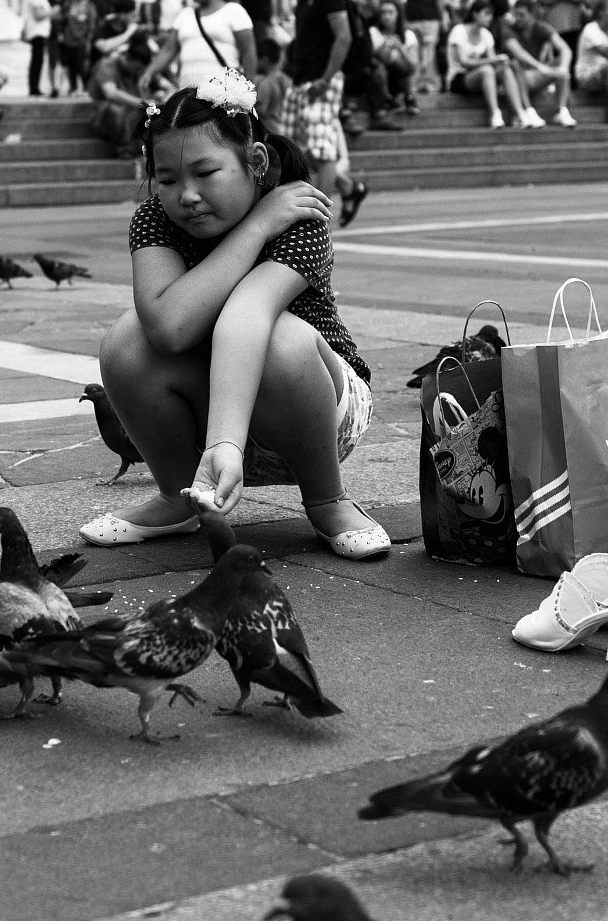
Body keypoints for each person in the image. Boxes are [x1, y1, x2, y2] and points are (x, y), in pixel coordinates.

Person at [85, 73, 386, 560]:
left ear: (256, 162)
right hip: (215, 424)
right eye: (168, 180)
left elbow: (247, 315)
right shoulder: (156, 219)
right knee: (128, 339)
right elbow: (169, 326)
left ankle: (328, 498)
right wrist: (255, 228)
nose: (187, 195)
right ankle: (179, 496)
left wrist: (225, 441)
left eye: (205, 173)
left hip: (318, 409)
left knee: (279, 338)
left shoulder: (297, 214)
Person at [282, 0, 370, 226]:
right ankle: (348, 187)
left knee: (322, 150)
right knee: (296, 147)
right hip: (302, 76)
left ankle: (317, 222)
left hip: (322, 78)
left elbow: (343, 36)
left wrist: (327, 78)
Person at [148, 0, 259, 93]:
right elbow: (168, 50)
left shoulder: (234, 11)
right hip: (189, 97)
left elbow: (248, 52)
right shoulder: (185, 15)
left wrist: (248, 89)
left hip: (224, 96)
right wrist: (149, 73)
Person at [445, 0, 527, 128]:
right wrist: (492, 60)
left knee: (504, 69)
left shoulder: (486, 35)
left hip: (480, 76)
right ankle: (495, 113)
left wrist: (501, 62)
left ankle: (520, 113)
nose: (490, 17)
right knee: (487, 70)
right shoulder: (459, 31)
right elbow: (464, 61)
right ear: (475, 14)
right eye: (486, 13)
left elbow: (493, 60)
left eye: (491, 14)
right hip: (458, 77)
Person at [498, 0, 574, 128]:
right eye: (515, 14)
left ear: (532, 14)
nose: (517, 18)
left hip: (536, 76)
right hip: (517, 77)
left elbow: (565, 49)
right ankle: (526, 111)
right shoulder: (508, 30)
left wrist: (563, 68)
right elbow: (518, 52)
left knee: (561, 63)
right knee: (515, 64)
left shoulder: (542, 27)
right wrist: (539, 66)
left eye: (522, 15)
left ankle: (562, 111)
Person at [84, 26, 158, 156]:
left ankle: (142, 145)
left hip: (130, 114)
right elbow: (111, 93)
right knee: (116, 110)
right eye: (137, 68)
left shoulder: (136, 71)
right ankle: (125, 147)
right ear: (129, 58)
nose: (138, 72)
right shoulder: (107, 65)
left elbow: (160, 81)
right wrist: (143, 102)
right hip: (104, 115)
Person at [395, 0, 445, 93]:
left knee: (414, 50)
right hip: (430, 16)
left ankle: (414, 83)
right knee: (429, 50)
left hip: (412, 15)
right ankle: (428, 83)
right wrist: (442, 15)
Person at [369, 0, 420, 115]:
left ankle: (409, 97)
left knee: (401, 61)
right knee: (380, 64)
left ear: (398, 14)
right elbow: (371, 58)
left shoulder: (408, 35)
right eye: (383, 12)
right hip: (380, 77)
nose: (386, 16)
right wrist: (384, 47)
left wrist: (400, 47)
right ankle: (388, 99)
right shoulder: (373, 32)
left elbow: (413, 65)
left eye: (390, 12)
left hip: (402, 78)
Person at [22, 0, 54, 97]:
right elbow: (39, 14)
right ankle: (34, 88)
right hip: (38, 31)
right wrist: (53, 12)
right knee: (37, 60)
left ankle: (34, 87)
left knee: (37, 59)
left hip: (36, 31)